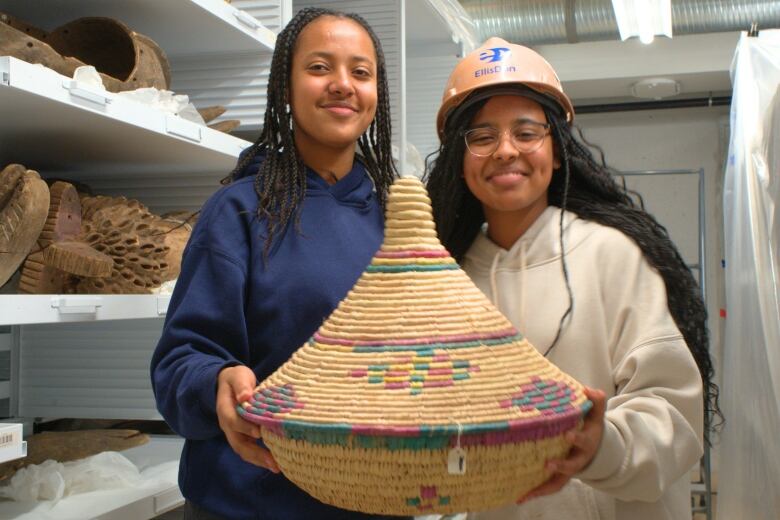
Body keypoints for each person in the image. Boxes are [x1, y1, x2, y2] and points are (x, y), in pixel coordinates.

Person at [425, 38, 721, 520]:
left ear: (557, 151)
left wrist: (601, 446)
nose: (505, 151)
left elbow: (674, 417)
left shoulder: (610, 257)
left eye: (526, 132)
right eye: (482, 136)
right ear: (460, 161)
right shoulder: (448, 282)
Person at [150, 7, 401, 519]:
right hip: (251, 500)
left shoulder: (398, 220)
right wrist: (217, 382)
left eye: (360, 71)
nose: (341, 85)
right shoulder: (241, 209)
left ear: (377, 94)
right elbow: (180, 361)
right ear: (285, 88)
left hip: (377, 501)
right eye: (318, 68)